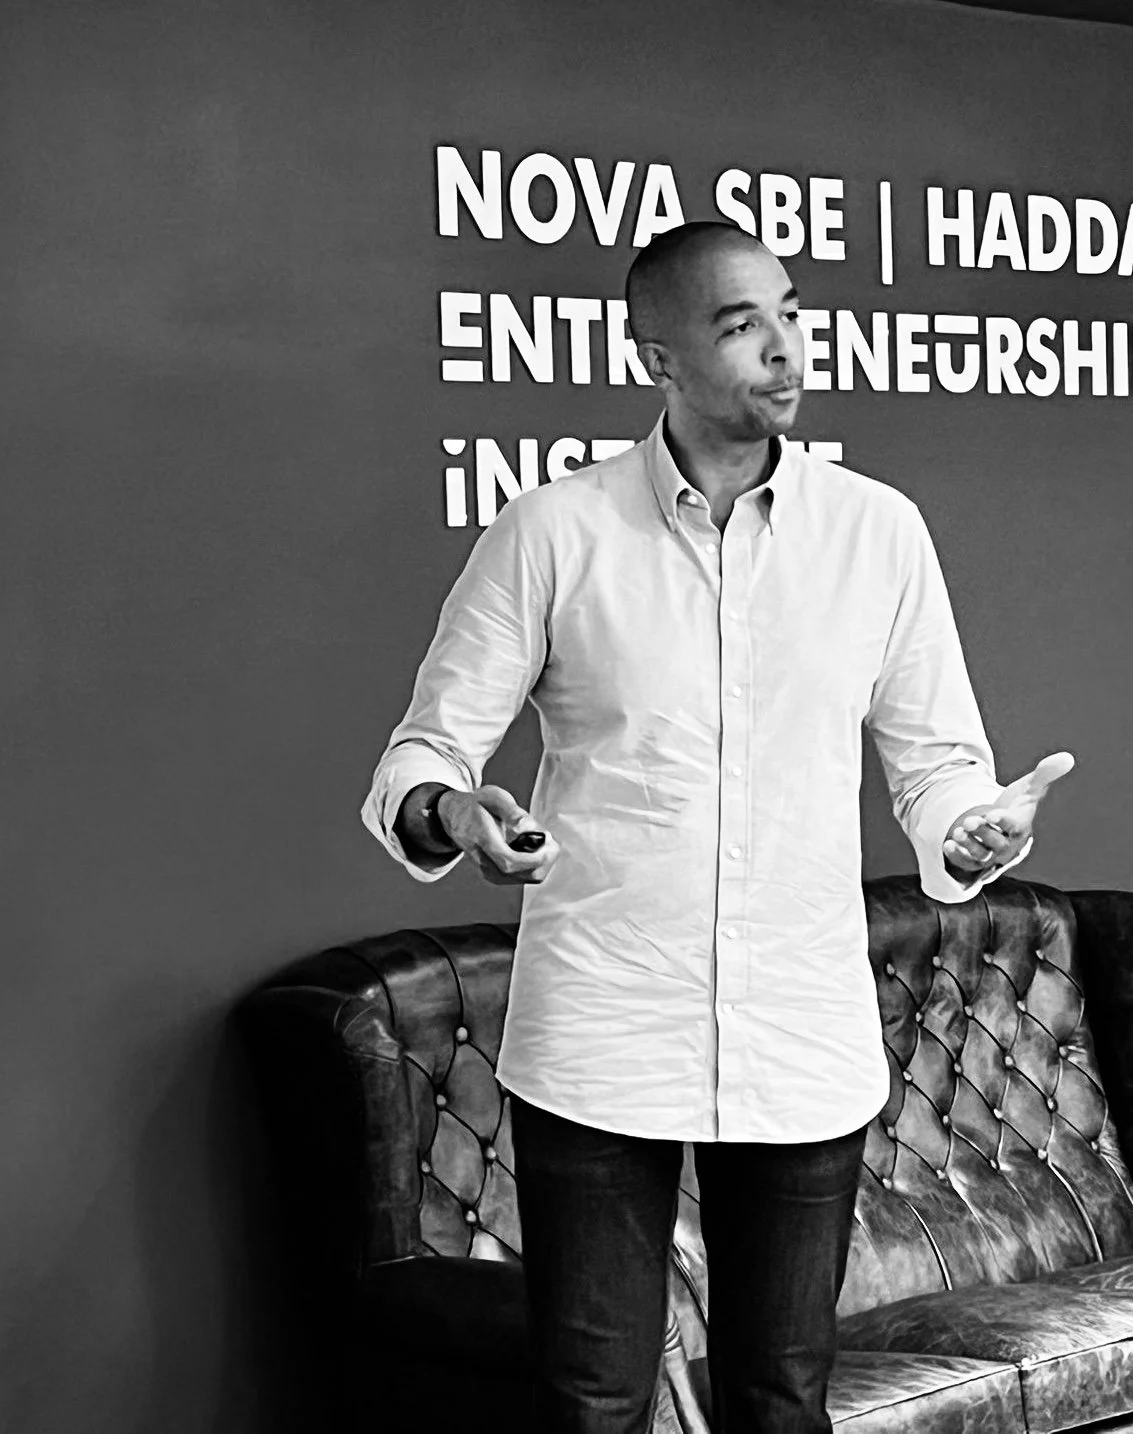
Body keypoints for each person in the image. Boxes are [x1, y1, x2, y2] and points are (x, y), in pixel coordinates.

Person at [361, 220, 1073, 1434]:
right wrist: (452, 808)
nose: (786, 348)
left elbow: (937, 762)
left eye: (790, 313)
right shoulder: (553, 531)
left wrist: (965, 830)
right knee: (593, 1402)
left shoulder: (877, 533)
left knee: (781, 1400)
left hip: (799, 1030)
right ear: (658, 357)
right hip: (601, 1028)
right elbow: (423, 755)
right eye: (742, 327)